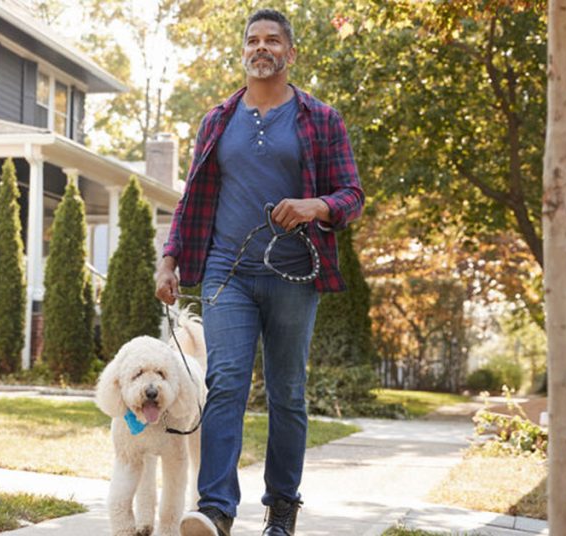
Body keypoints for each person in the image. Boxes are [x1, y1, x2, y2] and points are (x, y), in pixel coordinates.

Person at [156, 8, 365, 536]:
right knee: (225, 380)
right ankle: (217, 509)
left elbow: (352, 196)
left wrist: (315, 205)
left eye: (273, 40)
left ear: (290, 53)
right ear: (244, 51)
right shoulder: (217, 120)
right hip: (228, 270)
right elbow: (191, 200)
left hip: (294, 274)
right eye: (253, 40)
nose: (262, 47)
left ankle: (282, 510)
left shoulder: (321, 118)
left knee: (286, 391)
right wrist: (170, 258)